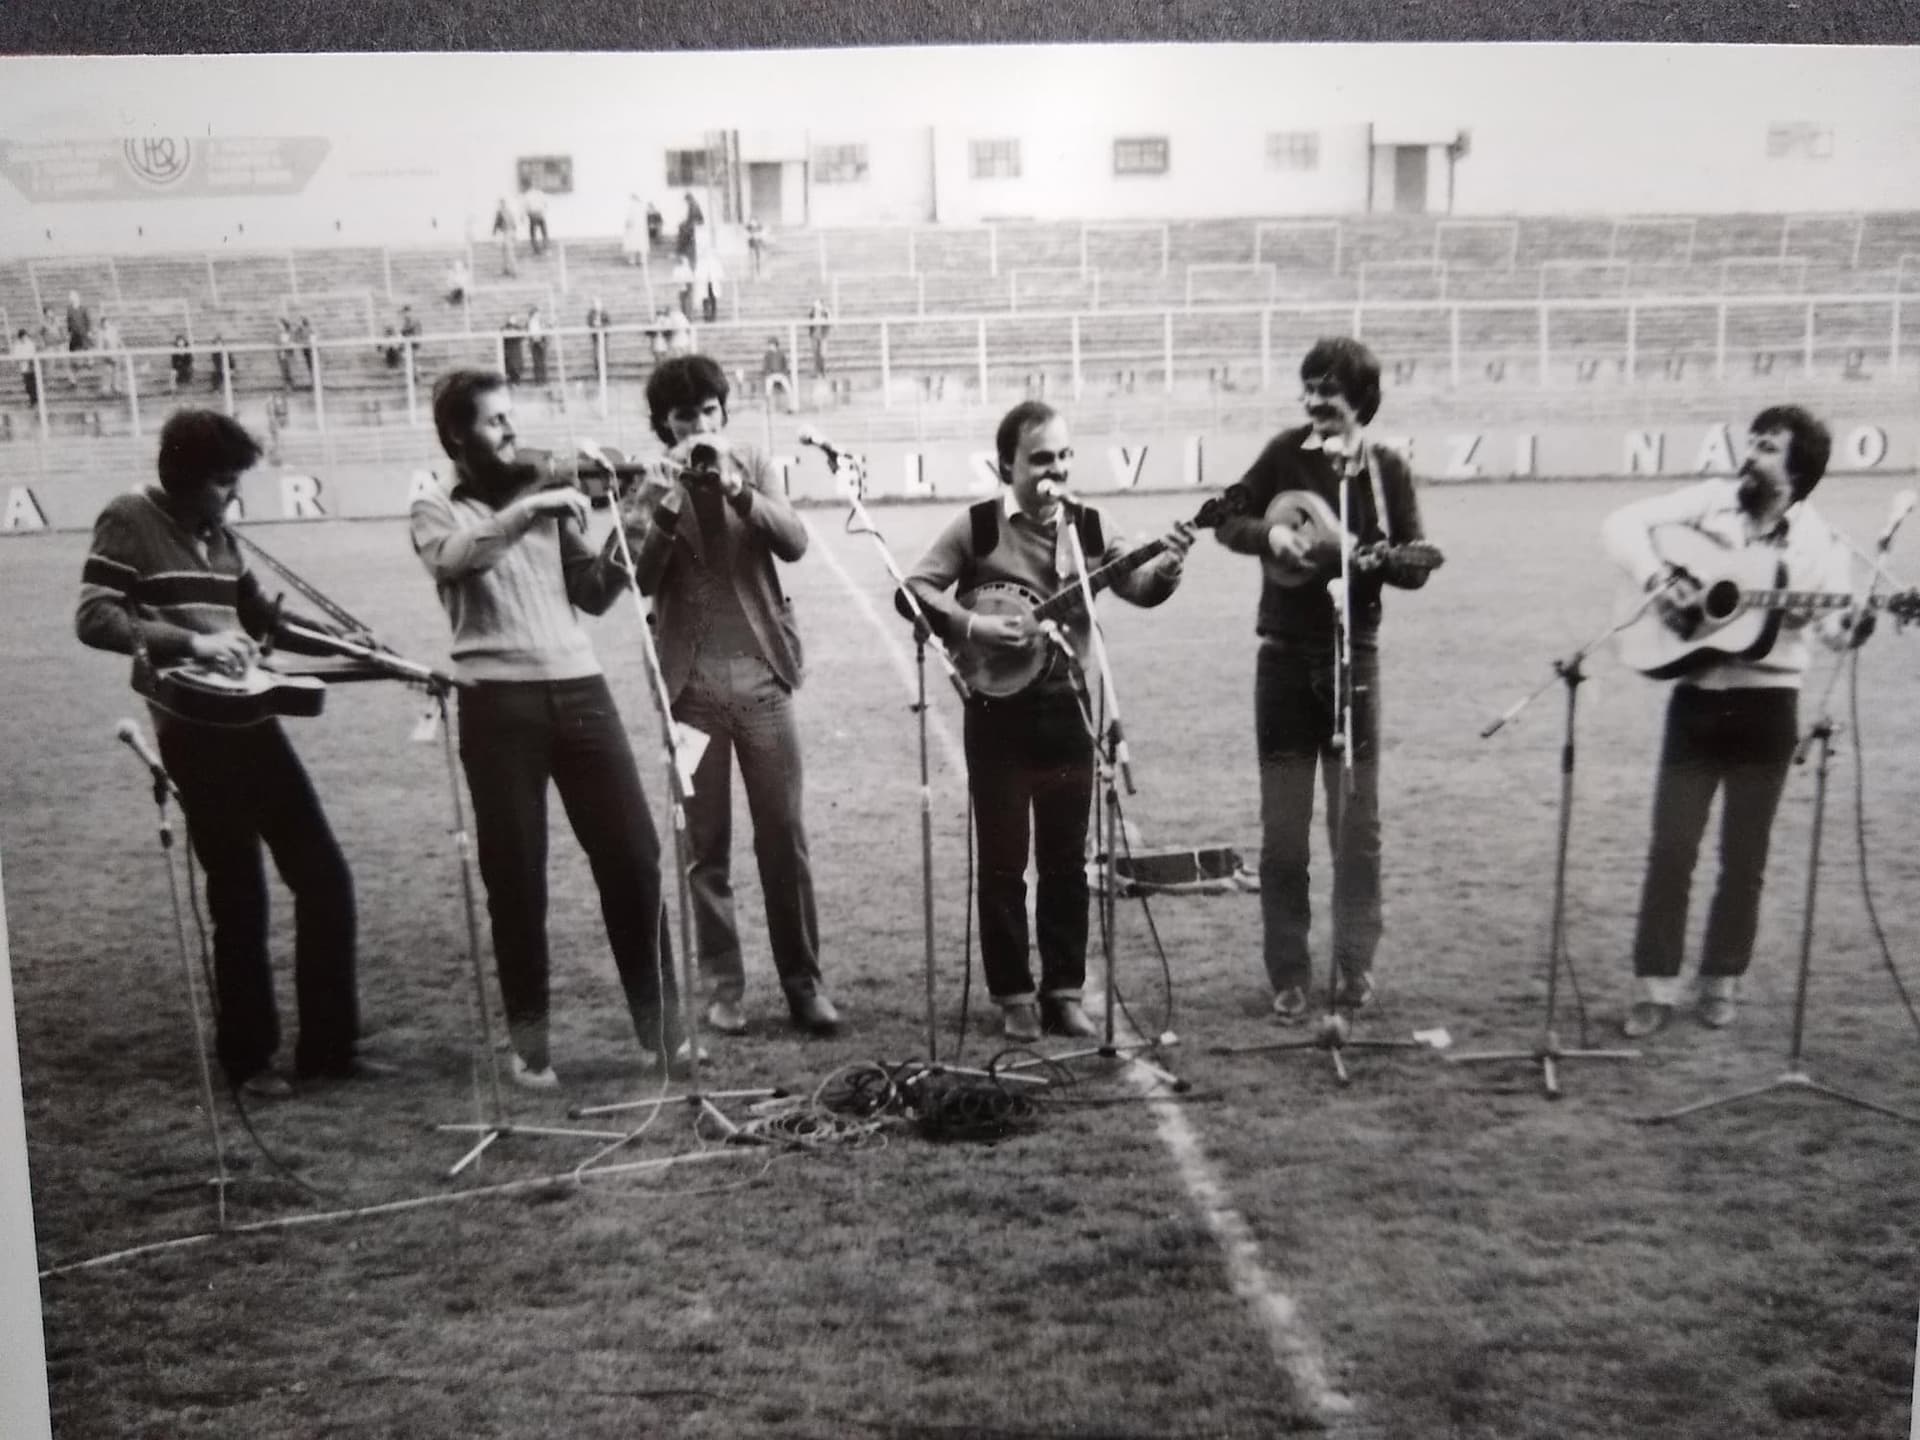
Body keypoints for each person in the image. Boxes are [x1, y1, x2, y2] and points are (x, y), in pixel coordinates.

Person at [408, 369, 692, 1084]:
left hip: (579, 687)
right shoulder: (434, 504)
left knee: (633, 856)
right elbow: (455, 561)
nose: (512, 431)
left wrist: (644, 516)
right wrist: (529, 509)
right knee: (517, 878)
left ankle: (664, 1033)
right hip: (496, 700)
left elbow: (594, 592)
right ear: (455, 436)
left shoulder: (545, 497)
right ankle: (529, 1048)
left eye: (512, 416)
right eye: (495, 421)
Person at [75, 410, 368, 1096]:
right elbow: (93, 616)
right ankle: (249, 1059)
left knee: (325, 879)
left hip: (252, 719)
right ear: (181, 477)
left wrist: (357, 646)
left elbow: (267, 620)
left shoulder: (222, 537)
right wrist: (195, 642)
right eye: (222, 482)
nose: (232, 495)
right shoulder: (128, 518)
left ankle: (329, 1050)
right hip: (191, 728)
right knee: (238, 895)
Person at [905, 401, 1194, 1040]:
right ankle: (1013, 994)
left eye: (1064, 456)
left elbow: (1141, 586)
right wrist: (974, 624)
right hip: (996, 715)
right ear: (1005, 464)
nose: (1055, 470)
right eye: (1040, 459)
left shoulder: (1091, 527)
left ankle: (1064, 991)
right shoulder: (976, 528)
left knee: (1066, 862)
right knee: (1004, 862)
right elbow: (912, 591)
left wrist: (1169, 564)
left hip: (1070, 710)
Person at [1603, 406, 1872, 1037]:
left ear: (1797, 469)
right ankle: (1653, 984)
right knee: (1671, 849)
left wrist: (1852, 626)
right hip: (1696, 698)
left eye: (1769, 448)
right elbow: (1620, 523)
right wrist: (1659, 575)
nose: (1750, 454)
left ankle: (1721, 980)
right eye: (1751, 442)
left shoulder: (1820, 543)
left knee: (1743, 858)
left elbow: (1833, 631)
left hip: (1769, 706)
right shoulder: (1711, 502)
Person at [1213, 337, 1433, 1022]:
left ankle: (1354, 968)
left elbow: (1416, 562)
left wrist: (1361, 560)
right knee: (1283, 830)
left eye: (1329, 392)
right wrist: (1265, 537)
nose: (1315, 403)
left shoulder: (1385, 470)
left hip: (1352, 659)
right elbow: (1226, 515)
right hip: (1280, 659)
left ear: (1361, 399)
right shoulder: (1283, 453)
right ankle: (1288, 974)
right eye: (1307, 389)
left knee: (1356, 826)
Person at [622, 355, 841, 1038]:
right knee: (705, 848)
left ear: (723, 413)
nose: (701, 426)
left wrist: (740, 490)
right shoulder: (650, 482)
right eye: (686, 416)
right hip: (688, 694)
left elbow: (796, 540)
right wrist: (668, 502)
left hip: (763, 683)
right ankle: (723, 988)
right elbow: (635, 576)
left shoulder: (752, 464)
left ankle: (804, 983)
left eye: (710, 412)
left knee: (783, 837)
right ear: (666, 425)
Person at [11, 328, 37, 408]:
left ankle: (34, 400)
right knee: (28, 385)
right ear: (20, 337)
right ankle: (33, 400)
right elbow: (16, 356)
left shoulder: (30, 343)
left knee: (32, 384)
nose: (25, 338)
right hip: (24, 367)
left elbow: (32, 353)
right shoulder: (17, 345)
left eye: (25, 336)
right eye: (23, 336)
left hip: (31, 366)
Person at [585, 297, 612, 375]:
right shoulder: (591, 313)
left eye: (599, 304)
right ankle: (597, 369)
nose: (597, 305)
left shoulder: (604, 313)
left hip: (603, 336)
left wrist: (602, 325)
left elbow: (608, 323)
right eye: (596, 304)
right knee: (596, 353)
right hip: (595, 337)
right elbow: (589, 322)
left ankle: (604, 369)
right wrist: (594, 324)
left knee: (604, 352)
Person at [806, 299, 832, 378]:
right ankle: (816, 371)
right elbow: (810, 325)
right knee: (816, 354)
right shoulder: (812, 314)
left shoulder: (825, 313)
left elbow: (829, 323)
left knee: (822, 355)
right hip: (814, 336)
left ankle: (822, 371)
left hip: (822, 336)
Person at [521, 183, 549, 256]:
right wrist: (542, 210)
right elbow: (545, 204)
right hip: (539, 214)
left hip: (532, 214)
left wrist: (523, 216)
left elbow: (525, 206)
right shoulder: (540, 193)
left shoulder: (528, 194)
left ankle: (536, 250)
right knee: (543, 232)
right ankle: (545, 248)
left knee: (533, 233)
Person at [622, 195, 649, 267]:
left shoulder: (632, 207)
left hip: (634, 229)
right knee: (639, 245)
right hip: (639, 229)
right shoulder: (642, 207)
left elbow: (629, 219)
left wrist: (627, 226)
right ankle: (640, 261)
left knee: (633, 244)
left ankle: (633, 261)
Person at [526, 304, 548, 387]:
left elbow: (544, 330)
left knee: (542, 362)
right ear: (534, 314)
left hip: (541, 343)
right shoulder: (530, 322)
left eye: (539, 313)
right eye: (537, 313)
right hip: (534, 344)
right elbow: (530, 333)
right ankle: (538, 380)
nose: (539, 315)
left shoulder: (540, 322)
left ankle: (543, 380)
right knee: (536, 362)